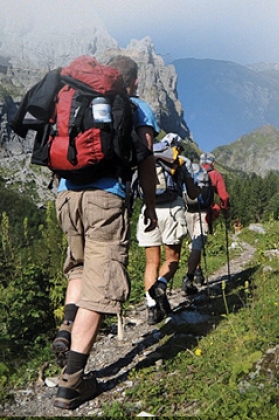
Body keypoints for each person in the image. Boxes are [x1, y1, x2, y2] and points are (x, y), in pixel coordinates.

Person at [51, 55, 159, 410]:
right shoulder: (136, 106)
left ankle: (67, 326)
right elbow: (145, 159)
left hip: (66, 195)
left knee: (79, 268)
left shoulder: (76, 92)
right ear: (134, 81)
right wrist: (150, 206)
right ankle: (72, 383)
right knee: (102, 287)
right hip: (105, 199)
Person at [137, 134, 198, 324]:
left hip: (148, 208)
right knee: (172, 258)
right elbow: (192, 193)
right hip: (172, 209)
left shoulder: (147, 155)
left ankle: (152, 307)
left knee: (151, 263)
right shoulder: (182, 160)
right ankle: (161, 285)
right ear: (177, 146)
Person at [182, 152, 229, 295]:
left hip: (187, 212)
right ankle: (189, 278)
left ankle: (198, 273)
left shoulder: (191, 171)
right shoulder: (215, 175)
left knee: (194, 243)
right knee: (198, 245)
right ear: (213, 163)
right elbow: (224, 197)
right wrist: (225, 211)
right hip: (203, 213)